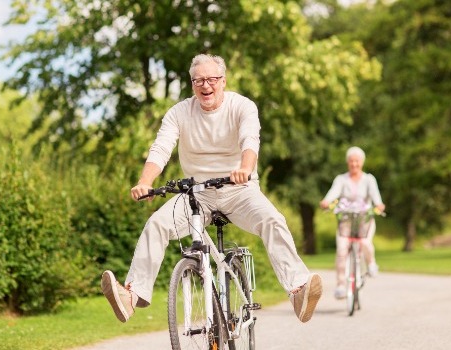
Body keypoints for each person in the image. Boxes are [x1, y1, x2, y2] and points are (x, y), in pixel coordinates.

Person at [101, 54, 322, 324]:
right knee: (156, 224)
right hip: (196, 194)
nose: (206, 85)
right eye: (199, 80)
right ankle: (132, 296)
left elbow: (250, 139)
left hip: (239, 189)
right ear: (192, 84)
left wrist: (245, 168)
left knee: (273, 220)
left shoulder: (242, 106)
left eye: (212, 79)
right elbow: (161, 148)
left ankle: (298, 290)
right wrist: (145, 182)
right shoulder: (179, 112)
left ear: (223, 81)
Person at [319, 146, 385, 300]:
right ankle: (341, 285)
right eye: (351, 161)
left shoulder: (369, 179)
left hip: (364, 220)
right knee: (342, 250)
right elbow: (333, 192)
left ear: (362, 162)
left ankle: (371, 263)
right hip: (346, 220)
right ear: (348, 163)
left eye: (357, 161)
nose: (354, 164)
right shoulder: (341, 179)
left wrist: (379, 205)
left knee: (365, 243)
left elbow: (376, 197)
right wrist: (326, 201)